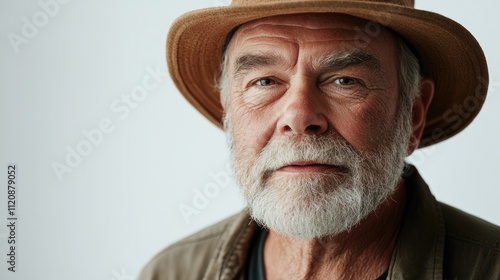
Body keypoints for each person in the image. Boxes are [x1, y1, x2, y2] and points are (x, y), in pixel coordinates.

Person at [140, 0, 500, 279]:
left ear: (413, 113)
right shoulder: (171, 273)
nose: (298, 117)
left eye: (344, 80)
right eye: (265, 81)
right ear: (229, 109)